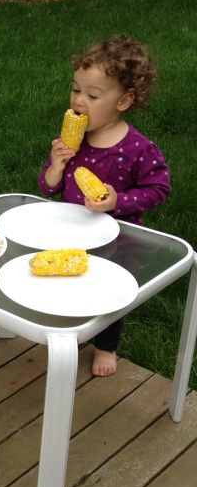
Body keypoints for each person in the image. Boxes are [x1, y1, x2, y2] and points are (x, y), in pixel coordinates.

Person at [38, 34, 171, 378]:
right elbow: (47, 188)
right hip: (72, 233)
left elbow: (159, 188)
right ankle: (74, 327)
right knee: (71, 285)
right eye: (75, 90)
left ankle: (106, 345)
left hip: (117, 241)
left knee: (107, 293)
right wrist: (56, 166)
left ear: (123, 101)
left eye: (93, 95)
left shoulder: (138, 148)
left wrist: (118, 201)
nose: (79, 100)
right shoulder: (73, 140)